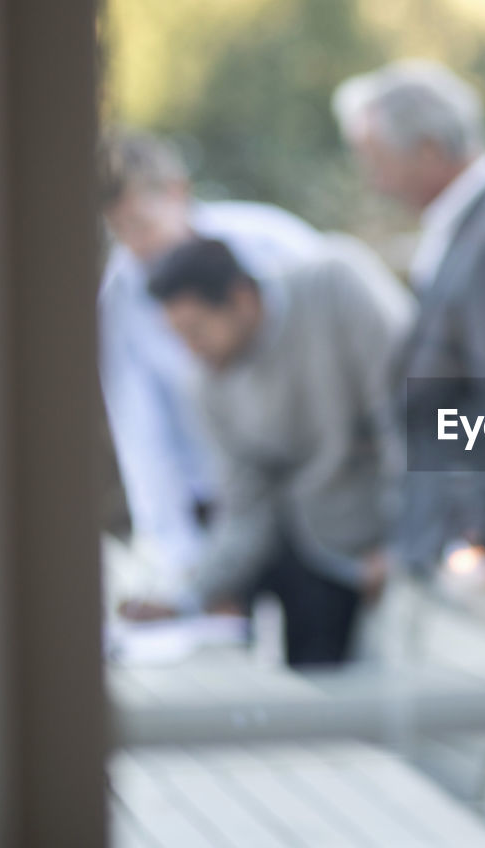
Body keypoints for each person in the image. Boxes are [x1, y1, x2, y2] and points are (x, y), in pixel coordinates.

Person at [331, 60, 485, 627]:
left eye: (376, 158)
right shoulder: (477, 224)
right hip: (461, 539)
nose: (371, 178)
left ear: (426, 150)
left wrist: (484, 540)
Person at [120, 237, 414, 666]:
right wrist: (185, 596)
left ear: (241, 299)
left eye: (197, 330)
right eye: (178, 337)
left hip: (406, 534)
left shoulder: (335, 288)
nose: (190, 349)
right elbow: (244, 509)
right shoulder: (206, 385)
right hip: (321, 554)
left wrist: (402, 544)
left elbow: (414, 417)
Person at [98, 129, 325, 594]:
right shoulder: (119, 301)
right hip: (220, 499)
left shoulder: (274, 244)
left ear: (177, 192)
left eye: (141, 223)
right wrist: (177, 557)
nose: (134, 244)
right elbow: (142, 434)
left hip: (316, 487)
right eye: (118, 230)